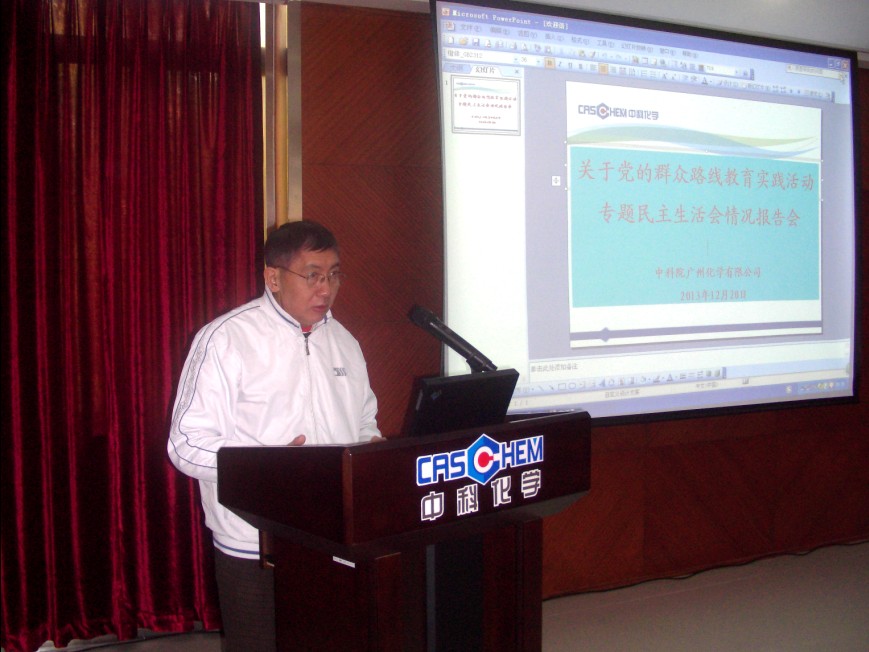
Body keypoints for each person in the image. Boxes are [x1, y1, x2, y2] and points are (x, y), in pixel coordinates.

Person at [167, 220, 381, 650]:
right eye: (313, 275)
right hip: (254, 544)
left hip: (333, 539)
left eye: (334, 274)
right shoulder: (226, 339)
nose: (326, 289)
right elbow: (185, 444)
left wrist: (373, 452)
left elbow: (365, 424)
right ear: (273, 277)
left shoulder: (345, 342)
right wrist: (265, 470)